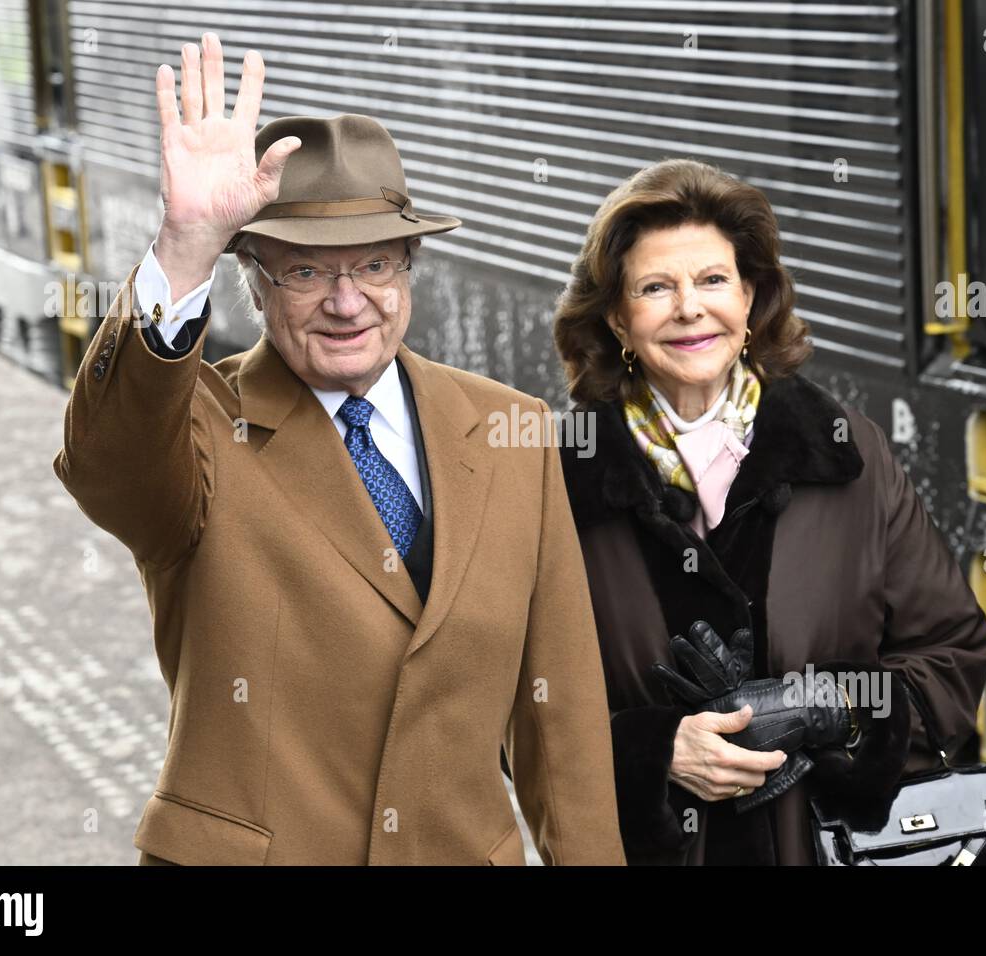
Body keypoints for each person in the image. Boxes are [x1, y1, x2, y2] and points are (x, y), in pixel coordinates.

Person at [52, 32, 625, 865]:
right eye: (307, 272)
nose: (348, 303)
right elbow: (106, 466)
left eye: (376, 265)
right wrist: (186, 246)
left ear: (410, 270)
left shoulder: (513, 431)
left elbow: (561, 715)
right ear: (254, 282)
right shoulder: (203, 428)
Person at [553, 158, 986, 865]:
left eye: (713, 280)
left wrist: (830, 705)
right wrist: (649, 750)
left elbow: (953, 652)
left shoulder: (850, 455)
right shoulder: (557, 482)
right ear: (617, 318)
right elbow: (512, 710)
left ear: (751, 298)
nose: (690, 308)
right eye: (656, 288)